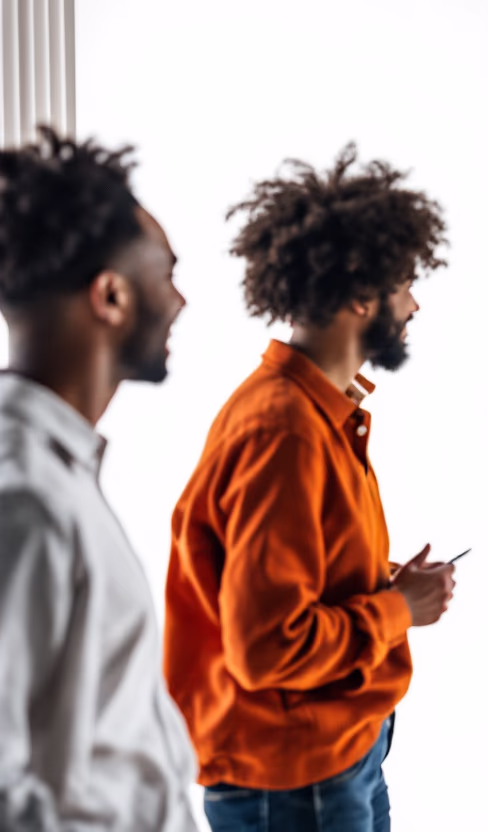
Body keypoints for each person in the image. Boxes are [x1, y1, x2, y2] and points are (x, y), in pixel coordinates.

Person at [164, 145, 455, 832]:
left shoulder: (314, 412)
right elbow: (268, 647)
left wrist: (376, 580)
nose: (413, 305)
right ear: (361, 295)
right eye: (405, 283)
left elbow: (287, 581)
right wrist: (398, 610)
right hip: (296, 779)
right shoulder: (284, 430)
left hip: (336, 754)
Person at [0, 127, 197, 830]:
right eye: (166, 274)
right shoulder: (25, 499)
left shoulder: (59, 477)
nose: (180, 301)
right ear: (111, 297)